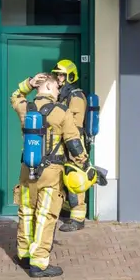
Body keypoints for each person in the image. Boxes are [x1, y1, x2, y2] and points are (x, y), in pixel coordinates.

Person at [11, 73, 88, 278]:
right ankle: (39, 263)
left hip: (27, 170)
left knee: (27, 212)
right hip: (51, 173)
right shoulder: (62, 112)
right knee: (46, 216)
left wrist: (27, 83)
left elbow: (15, 95)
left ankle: (24, 254)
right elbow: (74, 142)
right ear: (48, 88)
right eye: (55, 88)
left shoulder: (25, 108)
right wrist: (84, 163)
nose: (57, 92)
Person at [50, 59, 89, 232]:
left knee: (75, 179)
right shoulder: (63, 95)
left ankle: (78, 219)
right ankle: (66, 209)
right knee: (62, 176)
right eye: (57, 74)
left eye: (62, 75)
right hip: (63, 141)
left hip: (74, 141)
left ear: (70, 76)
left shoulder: (76, 96)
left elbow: (75, 125)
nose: (58, 78)